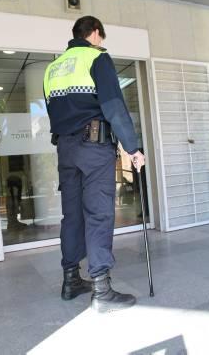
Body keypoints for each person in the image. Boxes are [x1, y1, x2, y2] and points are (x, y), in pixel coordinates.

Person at [43, 16, 145, 313]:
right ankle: (101, 289)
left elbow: (53, 111)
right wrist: (133, 148)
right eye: (102, 36)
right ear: (96, 33)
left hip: (65, 148)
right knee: (99, 212)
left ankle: (71, 279)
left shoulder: (52, 68)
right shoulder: (97, 58)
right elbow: (113, 105)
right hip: (94, 146)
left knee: (72, 214)